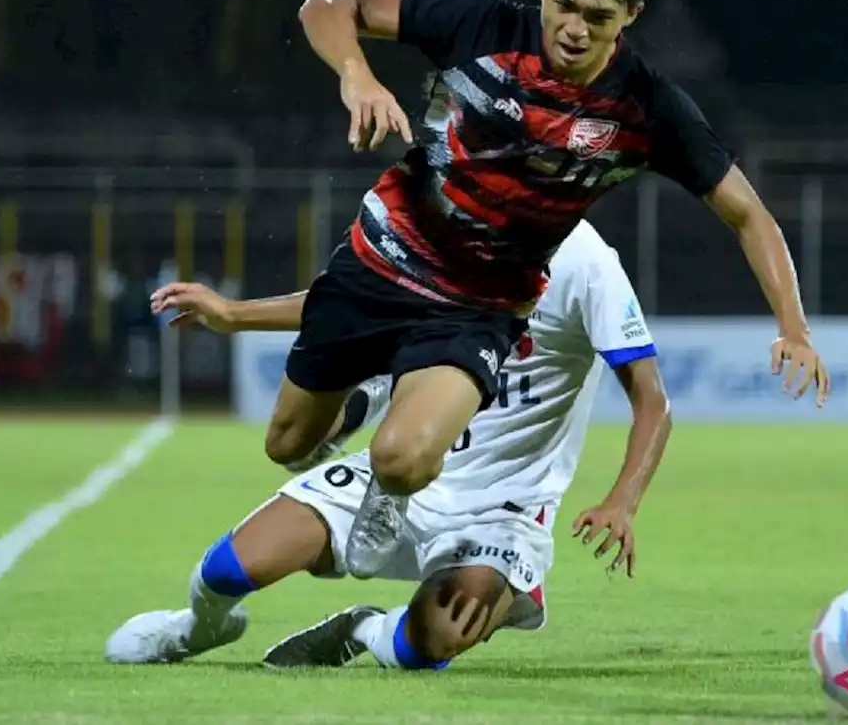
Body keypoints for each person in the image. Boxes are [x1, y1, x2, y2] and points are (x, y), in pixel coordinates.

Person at [282, 0, 829, 581]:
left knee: (402, 460)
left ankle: (391, 488)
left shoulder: (649, 109)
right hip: (383, 260)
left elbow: (750, 214)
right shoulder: (478, 24)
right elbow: (328, 7)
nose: (573, 27)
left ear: (631, 14)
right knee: (287, 442)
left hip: (482, 304)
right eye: (563, 5)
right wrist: (355, 73)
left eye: (597, 17)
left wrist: (795, 328)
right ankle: (359, 404)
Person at [106, 221, 672, 670]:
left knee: (435, 639)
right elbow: (350, 298)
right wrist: (234, 314)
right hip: (392, 477)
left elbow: (653, 402)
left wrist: (622, 501)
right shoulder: (448, 230)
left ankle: (363, 628)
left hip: (500, 512)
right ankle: (195, 628)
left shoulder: (589, 264)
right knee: (229, 571)